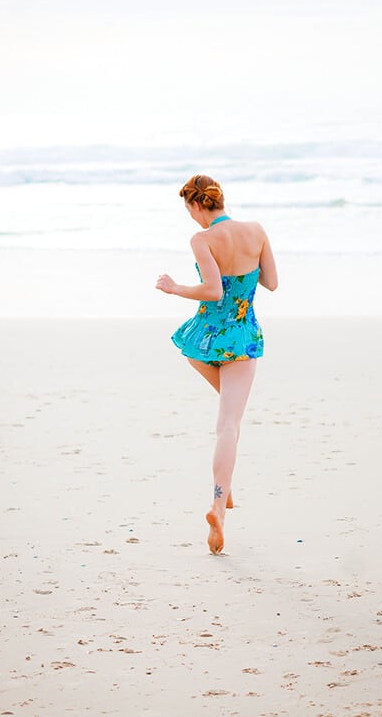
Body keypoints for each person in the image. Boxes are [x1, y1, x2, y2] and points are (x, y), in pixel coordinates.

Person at [156, 174, 278, 554]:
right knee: (229, 424)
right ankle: (218, 503)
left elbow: (212, 290)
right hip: (242, 337)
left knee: (228, 422)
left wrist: (174, 287)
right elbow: (271, 282)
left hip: (204, 341)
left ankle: (222, 497)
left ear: (196, 205)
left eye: (188, 210)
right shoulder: (256, 230)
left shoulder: (202, 239)